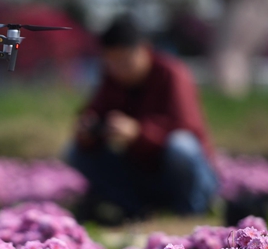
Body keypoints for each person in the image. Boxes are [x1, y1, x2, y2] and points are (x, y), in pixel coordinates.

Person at [66, 14, 218, 223]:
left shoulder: (172, 73)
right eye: (112, 61)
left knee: (181, 145)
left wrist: (138, 133)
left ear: (145, 49)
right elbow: (94, 113)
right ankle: (134, 209)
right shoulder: (112, 78)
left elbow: (187, 128)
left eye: (126, 60)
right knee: (75, 151)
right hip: (144, 174)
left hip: (187, 176)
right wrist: (88, 130)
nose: (120, 68)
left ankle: (191, 212)